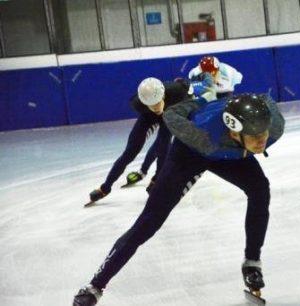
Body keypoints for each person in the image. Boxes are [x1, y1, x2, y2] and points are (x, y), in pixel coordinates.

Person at [72, 93, 285, 306]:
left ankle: (252, 263)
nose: (262, 140)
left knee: (260, 189)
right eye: (255, 136)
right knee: (149, 221)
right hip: (190, 153)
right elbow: (171, 114)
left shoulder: (273, 127)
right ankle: (95, 286)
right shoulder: (199, 133)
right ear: (233, 131)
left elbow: (267, 101)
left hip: (229, 154)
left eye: (264, 133)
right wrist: (200, 102)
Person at [87, 77, 191, 204]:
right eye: (151, 105)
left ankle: (156, 179)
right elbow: (151, 111)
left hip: (169, 113)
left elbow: (187, 85)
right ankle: (105, 187)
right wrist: (152, 109)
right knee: (129, 153)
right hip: (147, 117)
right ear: (145, 103)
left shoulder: (177, 92)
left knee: (163, 144)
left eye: (157, 103)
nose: (156, 108)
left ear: (163, 96)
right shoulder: (138, 103)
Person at [123, 67, 225, 188]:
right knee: (160, 145)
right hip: (187, 101)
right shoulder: (199, 86)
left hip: (189, 107)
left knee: (160, 145)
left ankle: (144, 171)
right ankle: (144, 171)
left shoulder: (202, 90)